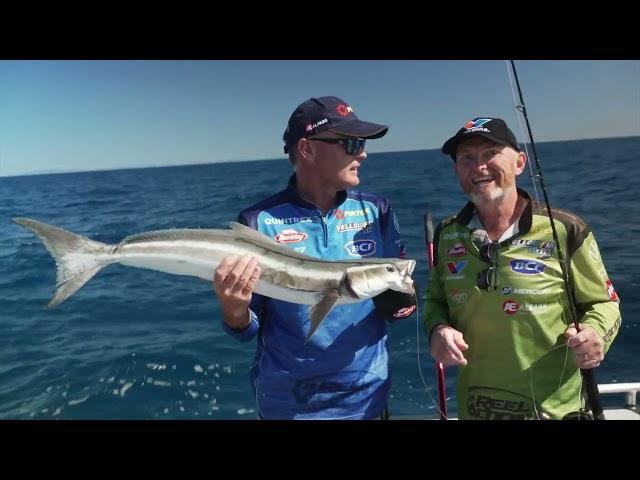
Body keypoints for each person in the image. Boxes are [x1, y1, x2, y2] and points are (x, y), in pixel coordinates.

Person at [213, 96, 417, 419]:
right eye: (351, 143)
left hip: (368, 403)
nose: (362, 152)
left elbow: (401, 295)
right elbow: (246, 327)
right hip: (291, 407)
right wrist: (233, 309)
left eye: (361, 143)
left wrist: (404, 301)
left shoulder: (377, 211)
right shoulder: (258, 222)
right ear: (307, 150)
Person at [424, 117, 621, 420]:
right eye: (467, 158)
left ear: (519, 162)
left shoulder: (565, 229)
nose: (479, 167)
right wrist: (438, 330)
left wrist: (596, 333)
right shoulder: (447, 233)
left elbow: (605, 304)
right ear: (456, 170)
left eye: (490, 153)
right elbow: (436, 301)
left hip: (555, 411)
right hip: (475, 409)